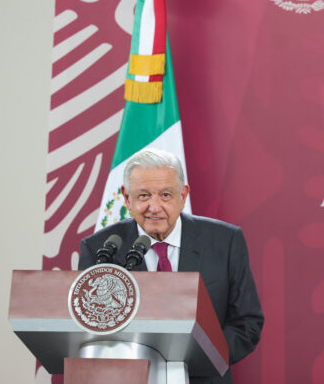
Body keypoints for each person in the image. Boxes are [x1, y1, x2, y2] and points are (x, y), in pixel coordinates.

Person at [78, 148, 263, 384]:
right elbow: (88, 326)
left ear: (182, 195)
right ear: (126, 198)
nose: (154, 207)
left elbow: (247, 322)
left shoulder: (225, 241)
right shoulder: (100, 248)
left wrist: (198, 359)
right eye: (143, 196)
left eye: (165, 195)